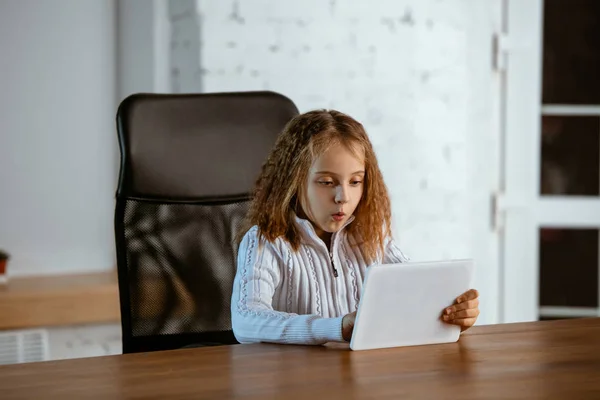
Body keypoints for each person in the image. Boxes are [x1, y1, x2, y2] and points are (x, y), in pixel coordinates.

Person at [231, 109, 480, 345]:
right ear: (293, 181)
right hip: (294, 381)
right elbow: (246, 321)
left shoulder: (371, 236)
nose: (343, 197)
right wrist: (336, 327)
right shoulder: (265, 241)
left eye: (355, 181)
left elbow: (414, 296)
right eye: (327, 182)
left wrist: (451, 313)